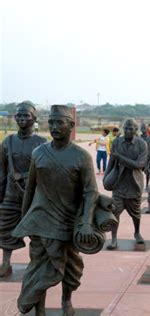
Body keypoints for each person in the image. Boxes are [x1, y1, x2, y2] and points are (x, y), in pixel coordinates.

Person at [13, 105, 99, 315]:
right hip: (40, 221)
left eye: (59, 122)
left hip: (68, 222)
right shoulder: (39, 153)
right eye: (51, 122)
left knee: (70, 267)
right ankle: (38, 308)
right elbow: (30, 189)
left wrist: (86, 223)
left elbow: (90, 192)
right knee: (38, 267)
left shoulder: (81, 157)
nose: (53, 126)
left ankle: (66, 300)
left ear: (71, 125)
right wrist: (24, 220)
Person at [0, 101, 47, 278]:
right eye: (19, 115)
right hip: (10, 195)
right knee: (5, 228)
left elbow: (45, 169)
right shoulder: (8, 142)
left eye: (25, 115)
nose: (21, 118)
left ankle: (36, 264)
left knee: (36, 230)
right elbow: (2, 169)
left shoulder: (41, 143)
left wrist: (24, 175)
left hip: (34, 194)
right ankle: (5, 263)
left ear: (33, 118)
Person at [105, 119, 147, 250]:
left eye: (131, 129)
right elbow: (112, 160)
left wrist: (121, 158)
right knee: (115, 211)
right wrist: (106, 176)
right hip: (120, 183)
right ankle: (114, 238)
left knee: (136, 213)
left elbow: (139, 165)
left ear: (136, 130)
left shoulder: (142, 144)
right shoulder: (117, 142)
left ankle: (137, 232)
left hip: (134, 184)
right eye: (126, 128)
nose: (128, 131)